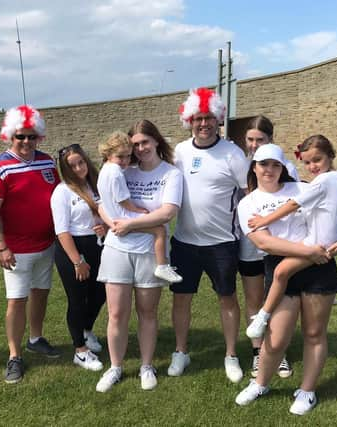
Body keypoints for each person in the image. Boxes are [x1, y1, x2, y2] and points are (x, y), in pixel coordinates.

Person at [234, 142, 337, 416]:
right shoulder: (247, 203)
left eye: (275, 164)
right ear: (255, 167)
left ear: (283, 167)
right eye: (264, 164)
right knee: (275, 338)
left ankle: (307, 392)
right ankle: (260, 383)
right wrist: (309, 251)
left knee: (314, 332)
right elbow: (266, 243)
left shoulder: (301, 186)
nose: (270, 170)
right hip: (288, 264)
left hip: (319, 266)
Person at [95, 120, 183, 392]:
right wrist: (112, 223)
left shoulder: (171, 173)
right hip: (117, 248)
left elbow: (168, 212)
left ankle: (146, 366)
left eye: (145, 142)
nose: (140, 148)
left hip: (148, 251)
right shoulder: (121, 170)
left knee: (147, 312)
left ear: (156, 141)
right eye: (135, 145)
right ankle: (116, 367)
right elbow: (101, 204)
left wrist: (130, 224)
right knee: (116, 313)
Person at [169, 87, 248, 383]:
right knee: (181, 299)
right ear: (189, 120)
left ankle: (230, 355)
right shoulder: (179, 152)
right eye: (198, 118)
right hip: (184, 243)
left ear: (219, 120)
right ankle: (181, 351)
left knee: (227, 298)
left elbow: (247, 193)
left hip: (222, 244)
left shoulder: (232, 153)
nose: (204, 124)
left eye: (210, 118)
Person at [0, 105, 61, 384]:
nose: (26, 142)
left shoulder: (48, 161)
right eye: (20, 137)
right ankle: (14, 355)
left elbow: (59, 198)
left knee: (41, 292)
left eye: (31, 136)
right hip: (16, 249)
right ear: (9, 136)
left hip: (46, 243)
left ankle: (35, 338)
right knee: (16, 300)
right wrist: (0, 246)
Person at [245, 135, 337, 342]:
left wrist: (265, 219)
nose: (312, 166)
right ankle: (325, 297)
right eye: (307, 162)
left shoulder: (323, 181)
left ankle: (262, 317)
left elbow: (293, 205)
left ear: (330, 156)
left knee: (280, 272)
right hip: (323, 241)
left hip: (317, 244)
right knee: (285, 272)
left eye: (317, 160)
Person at [239, 115, 298, 379]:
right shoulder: (240, 163)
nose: (253, 144)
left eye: (259, 140)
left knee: (277, 299)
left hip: (283, 248)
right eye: (250, 139)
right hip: (251, 244)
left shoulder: (288, 169)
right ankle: (257, 353)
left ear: (270, 139)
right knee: (255, 299)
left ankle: (277, 352)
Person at [97, 131, 182, 284]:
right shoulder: (118, 172)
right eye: (121, 156)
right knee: (160, 230)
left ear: (156, 141)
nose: (125, 160)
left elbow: (168, 212)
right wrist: (137, 210)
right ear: (109, 153)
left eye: (128, 156)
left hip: (117, 219)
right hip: (122, 219)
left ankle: (162, 266)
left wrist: (115, 223)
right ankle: (162, 266)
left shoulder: (105, 169)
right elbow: (122, 199)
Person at [51, 143, 107, 371]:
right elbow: (62, 231)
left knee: (100, 293)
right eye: (71, 166)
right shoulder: (62, 191)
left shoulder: (96, 185)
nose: (78, 168)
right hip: (73, 249)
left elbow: (105, 215)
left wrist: (104, 226)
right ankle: (80, 351)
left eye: (80, 162)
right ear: (65, 169)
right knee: (78, 299)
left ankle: (86, 331)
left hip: (98, 245)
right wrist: (78, 260)